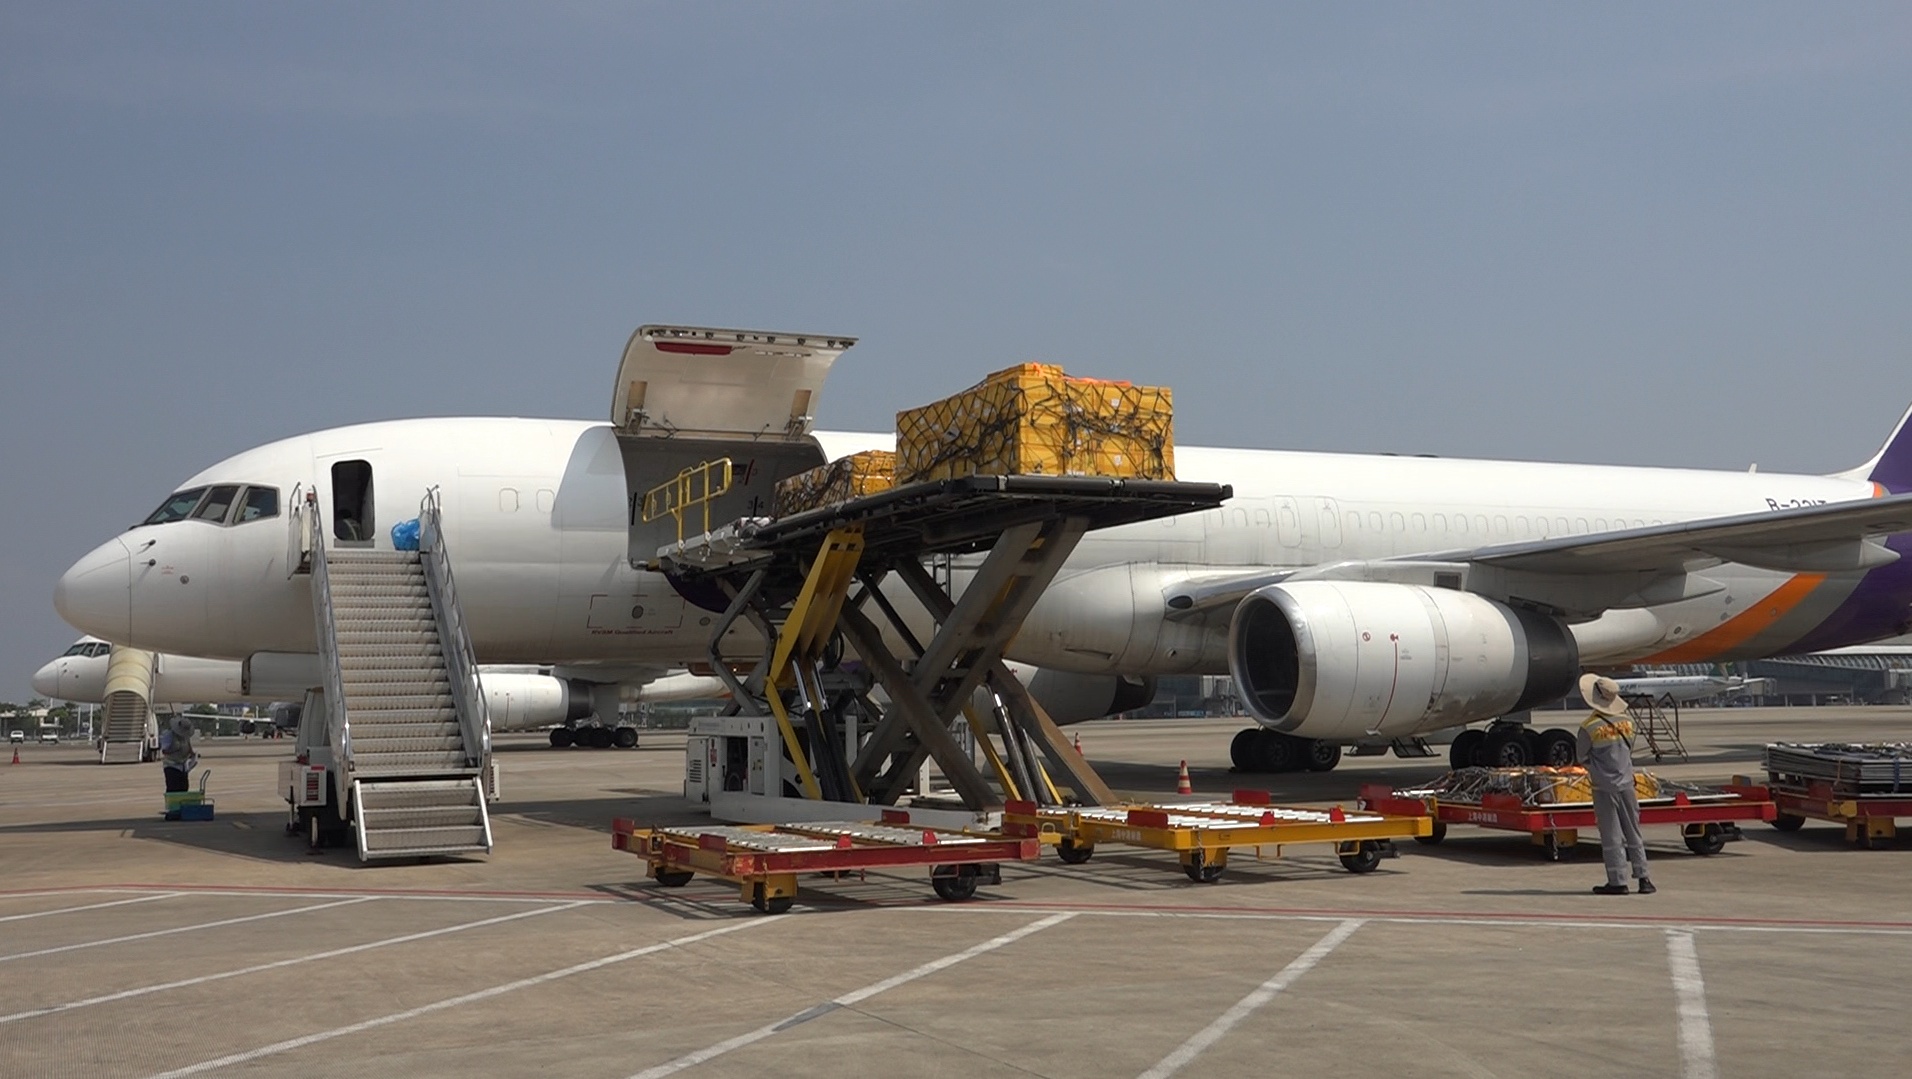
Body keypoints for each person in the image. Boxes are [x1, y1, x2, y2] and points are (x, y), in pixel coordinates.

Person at [1577, 673, 1653, 895]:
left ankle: (1618, 881)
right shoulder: (1628, 722)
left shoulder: (1588, 727)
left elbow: (1582, 757)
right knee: (1634, 832)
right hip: (1627, 783)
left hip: (1604, 786)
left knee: (1611, 836)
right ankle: (1644, 878)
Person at [158, 716, 197, 817]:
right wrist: (176, 749)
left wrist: (193, 755)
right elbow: (164, 750)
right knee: (173, 788)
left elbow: (189, 749)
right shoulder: (169, 735)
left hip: (183, 766)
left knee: (184, 787)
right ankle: (172, 810)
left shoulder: (186, 737)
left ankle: (181, 809)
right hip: (171, 765)